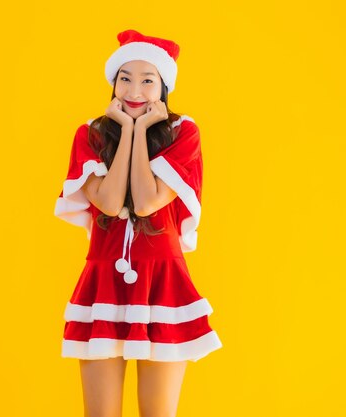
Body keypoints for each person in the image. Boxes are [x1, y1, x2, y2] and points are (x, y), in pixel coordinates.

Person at [54, 29, 223, 417]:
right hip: (103, 283)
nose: (135, 89)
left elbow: (147, 203)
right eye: (125, 78)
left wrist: (144, 130)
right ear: (113, 84)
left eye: (148, 80)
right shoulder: (91, 135)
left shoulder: (184, 133)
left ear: (163, 88)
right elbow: (110, 204)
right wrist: (129, 131)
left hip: (163, 283)